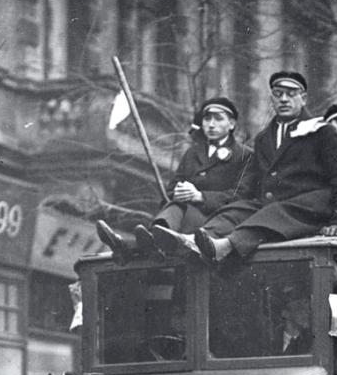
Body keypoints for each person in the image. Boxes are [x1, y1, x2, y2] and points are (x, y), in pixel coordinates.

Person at [153, 71, 337, 264]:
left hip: (309, 208)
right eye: (278, 94)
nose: (283, 99)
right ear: (272, 99)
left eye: (291, 94)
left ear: (303, 98)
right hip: (272, 206)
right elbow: (249, 184)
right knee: (237, 210)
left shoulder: (322, 132)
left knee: (273, 212)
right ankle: (199, 239)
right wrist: (231, 204)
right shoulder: (263, 138)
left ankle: (226, 245)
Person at [97, 97, 254, 263]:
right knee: (175, 204)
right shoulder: (193, 153)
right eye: (207, 119)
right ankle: (149, 240)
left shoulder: (245, 155)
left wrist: (200, 196)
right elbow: (171, 190)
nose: (211, 124)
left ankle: (130, 246)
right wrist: (178, 192)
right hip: (184, 218)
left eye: (218, 119)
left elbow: (242, 197)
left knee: (177, 209)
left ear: (231, 124)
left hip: (215, 223)